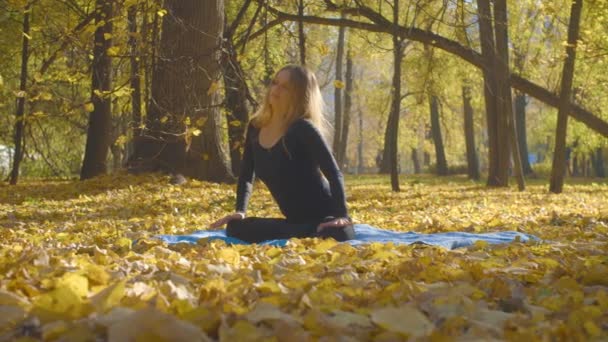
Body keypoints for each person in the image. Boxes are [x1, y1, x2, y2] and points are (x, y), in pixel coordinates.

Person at [209, 65, 355, 243]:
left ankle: (308, 231)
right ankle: (301, 232)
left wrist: (341, 214)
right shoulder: (255, 127)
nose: (276, 90)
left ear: (300, 95)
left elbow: (333, 172)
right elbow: (247, 174)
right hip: (294, 223)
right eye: (275, 83)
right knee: (235, 227)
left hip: (326, 219)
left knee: (337, 235)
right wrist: (240, 210)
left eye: (285, 87)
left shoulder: (303, 128)